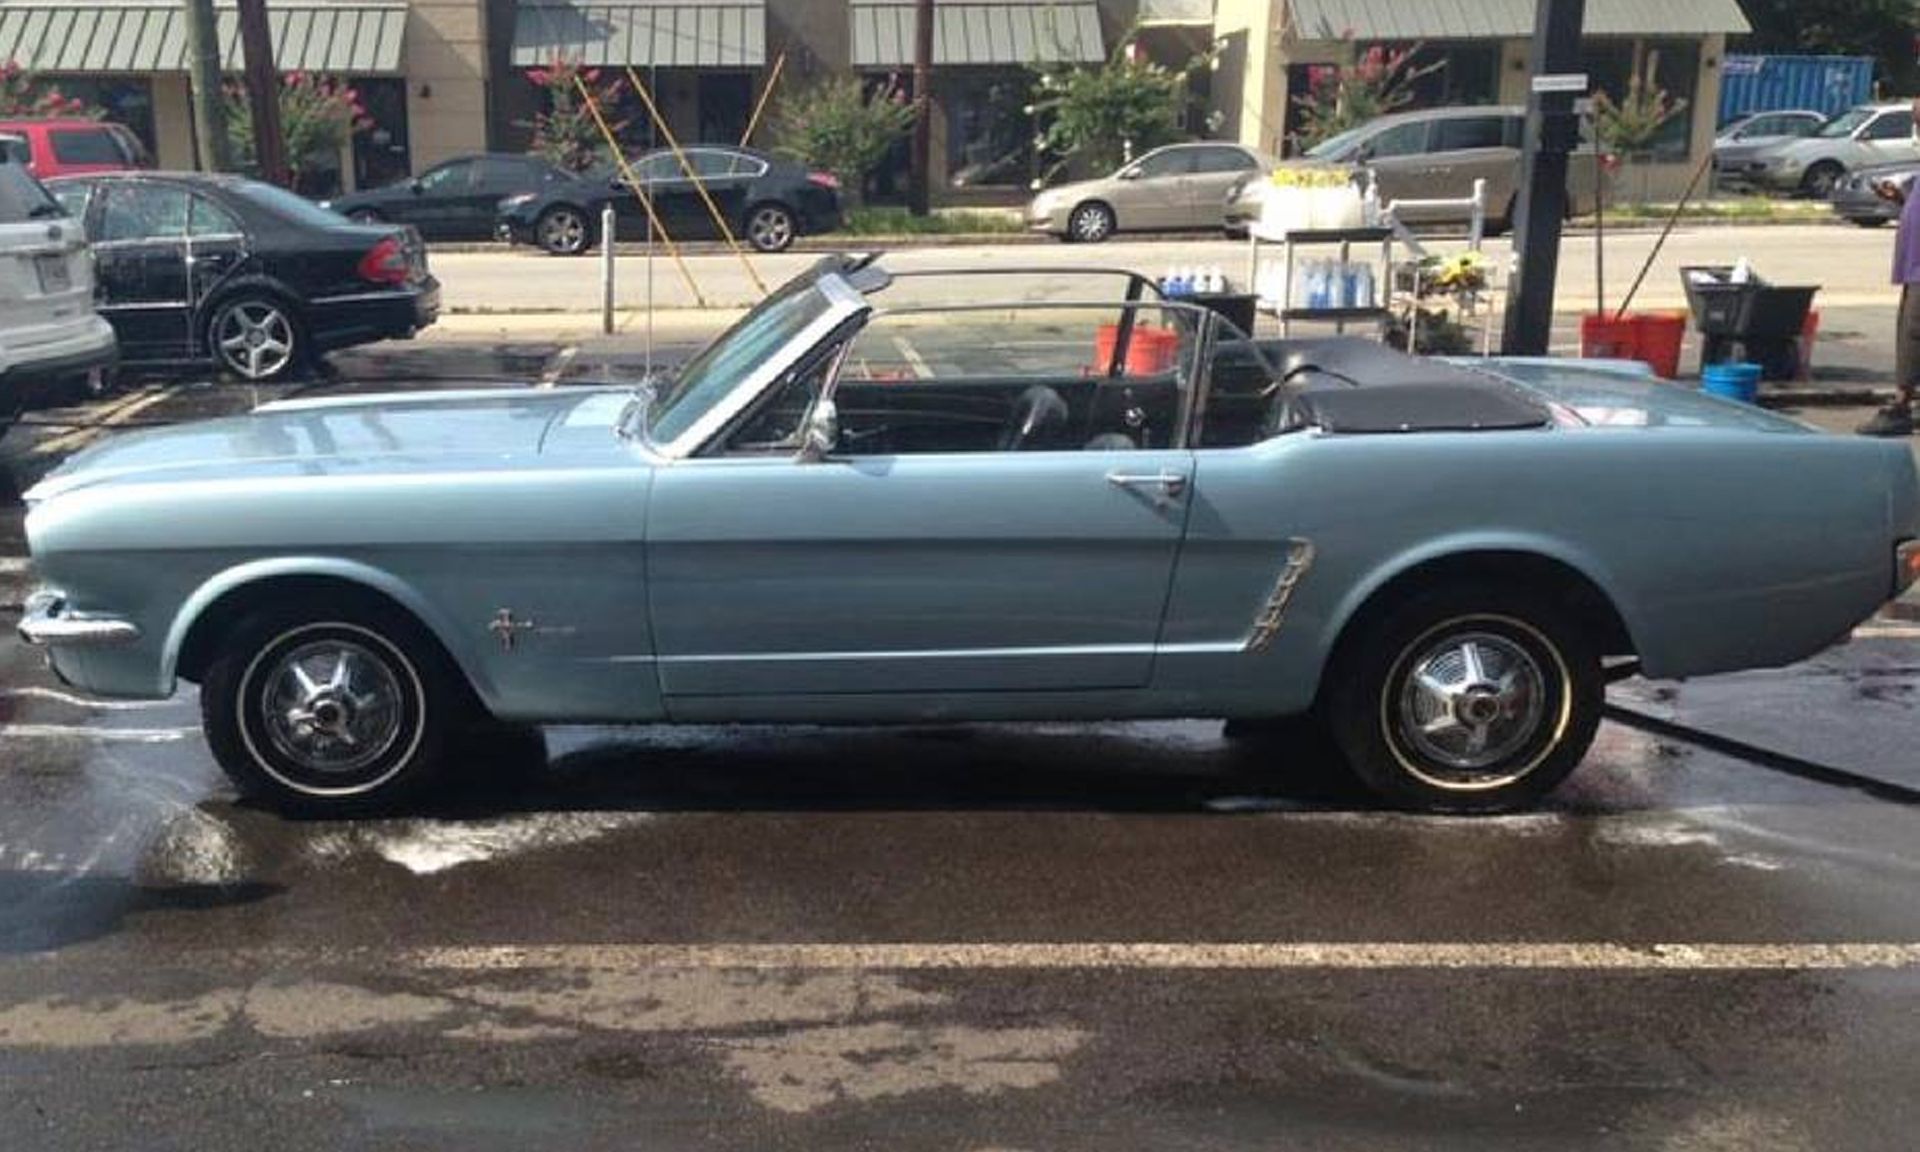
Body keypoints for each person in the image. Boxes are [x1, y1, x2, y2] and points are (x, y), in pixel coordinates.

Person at [1857, 97, 1920, 437]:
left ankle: (1901, 406)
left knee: (1913, 332)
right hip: (1914, 265)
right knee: (1908, 329)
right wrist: (1898, 197)